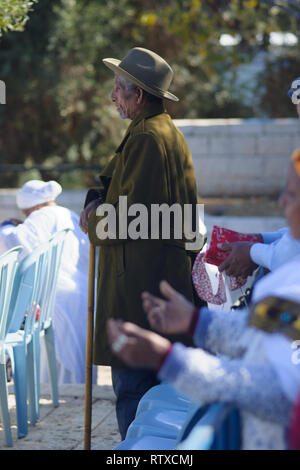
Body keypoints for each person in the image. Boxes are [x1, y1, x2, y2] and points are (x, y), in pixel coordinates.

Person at [107, 149, 300, 449]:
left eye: (291, 193)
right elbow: (259, 331)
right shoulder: (290, 277)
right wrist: (194, 319)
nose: (282, 202)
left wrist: (167, 359)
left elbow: (274, 393)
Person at [80, 47, 201, 439]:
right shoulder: (156, 131)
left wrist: (94, 218)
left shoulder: (149, 137)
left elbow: (131, 219)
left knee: (135, 396)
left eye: (119, 89)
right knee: (143, 394)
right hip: (151, 286)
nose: (113, 96)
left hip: (139, 292)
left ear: (140, 96)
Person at [0, 180, 92, 384]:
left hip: (59, 302)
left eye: (26, 213)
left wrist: (6, 226)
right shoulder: (69, 214)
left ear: (32, 207)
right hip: (83, 298)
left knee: (58, 371)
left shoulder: (41, 216)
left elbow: (13, 243)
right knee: (79, 366)